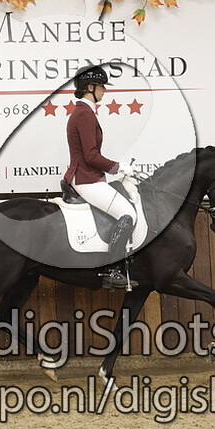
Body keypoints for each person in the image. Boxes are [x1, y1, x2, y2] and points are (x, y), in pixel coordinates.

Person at [63, 65, 138, 289]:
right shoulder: (84, 114)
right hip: (85, 179)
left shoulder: (84, 113)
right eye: (102, 86)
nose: (105, 90)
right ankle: (111, 271)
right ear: (90, 87)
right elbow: (91, 155)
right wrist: (118, 167)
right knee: (127, 214)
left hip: (87, 176)